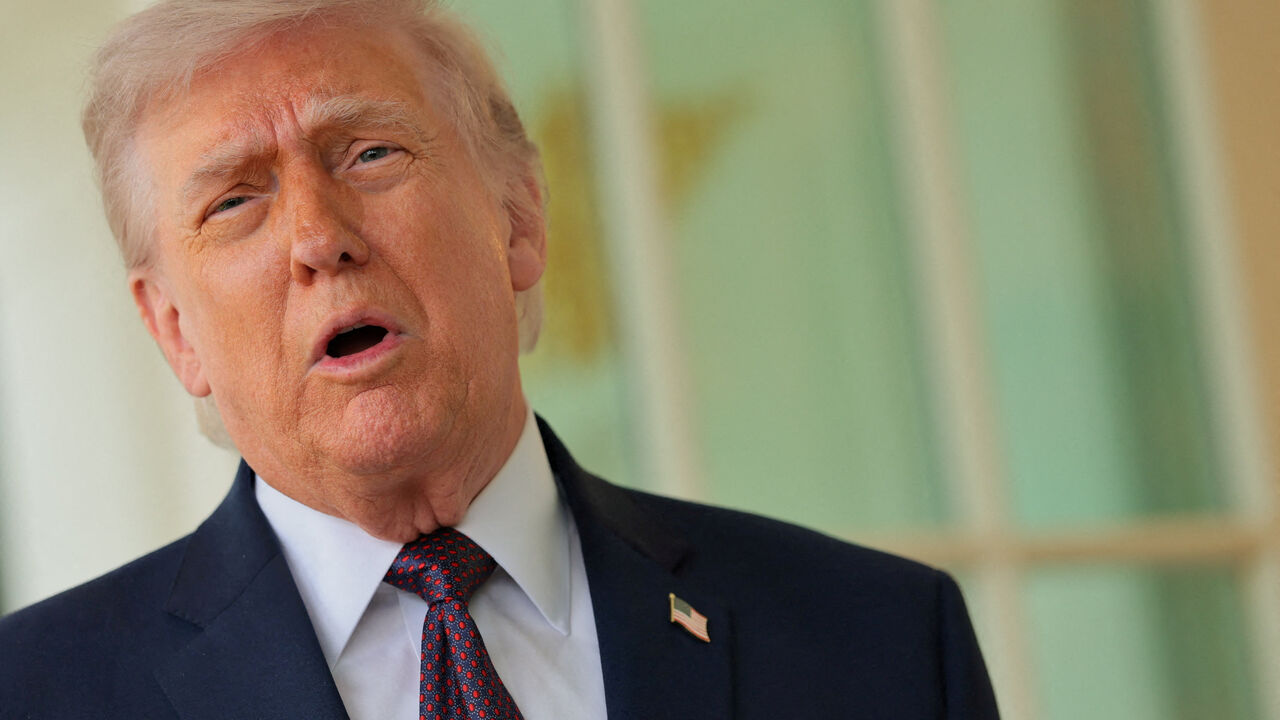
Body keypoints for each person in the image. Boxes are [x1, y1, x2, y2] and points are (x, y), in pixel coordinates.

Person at [0, 1, 1000, 718]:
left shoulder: (878, 640)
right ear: (175, 330)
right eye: (234, 201)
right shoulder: (35, 692)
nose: (318, 238)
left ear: (517, 219)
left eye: (369, 153)